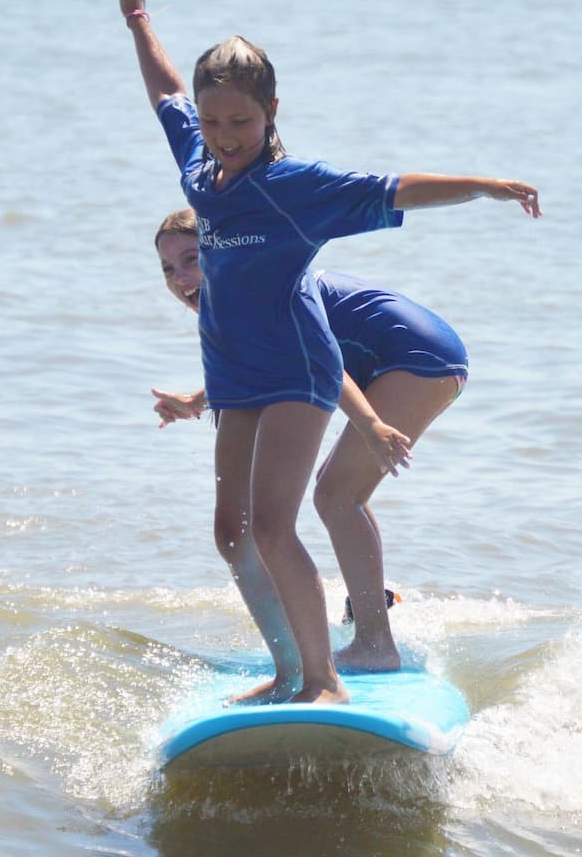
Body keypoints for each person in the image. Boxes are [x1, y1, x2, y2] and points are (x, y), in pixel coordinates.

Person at [118, 0, 541, 705]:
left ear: (272, 111)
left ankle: (324, 680)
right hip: (242, 376)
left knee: (279, 523)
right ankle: (288, 669)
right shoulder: (198, 170)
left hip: (298, 373)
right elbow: (166, 95)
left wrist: (483, 185)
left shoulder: (295, 188)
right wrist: (138, 19)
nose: (224, 138)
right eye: (215, 124)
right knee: (231, 532)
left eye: (241, 123)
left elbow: (392, 188)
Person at [151, 208, 469, 673]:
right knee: (338, 493)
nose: (180, 278)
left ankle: (375, 645)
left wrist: (370, 425)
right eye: (167, 269)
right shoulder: (240, 300)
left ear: (220, 253)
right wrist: (197, 401)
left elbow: (321, 359)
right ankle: (366, 625)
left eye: (191, 259)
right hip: (405, 355)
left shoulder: (258, 293)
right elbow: (266, 364)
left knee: (337, 495)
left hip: (416, 356)